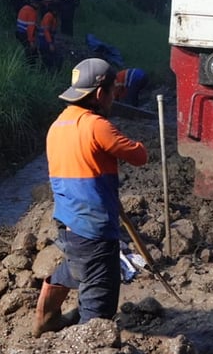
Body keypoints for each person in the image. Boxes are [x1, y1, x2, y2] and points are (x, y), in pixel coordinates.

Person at [33, 58, 148, 336]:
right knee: (99, 309)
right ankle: (82, 349)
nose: (113, 98)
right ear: (99, 93)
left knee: (78, 264)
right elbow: (139, 156)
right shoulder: (96, 126)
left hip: (67, 222)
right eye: (112, 92)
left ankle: (46, 317)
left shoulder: (57, 125)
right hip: (93, 227)